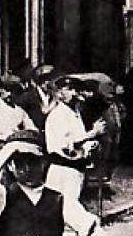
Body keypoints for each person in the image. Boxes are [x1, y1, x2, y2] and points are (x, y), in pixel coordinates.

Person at [44, 76, 103, 213]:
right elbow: (67, 144)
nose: (73, 93)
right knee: (65, 210)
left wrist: (90, 145)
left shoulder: (74, 114)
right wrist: (93, 133)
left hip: (76, 167)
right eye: (69, 89)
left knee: (70, 206)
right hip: (62, 168)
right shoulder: (58, 114)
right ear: (58, 93)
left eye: (75, 89)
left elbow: (78, 139)